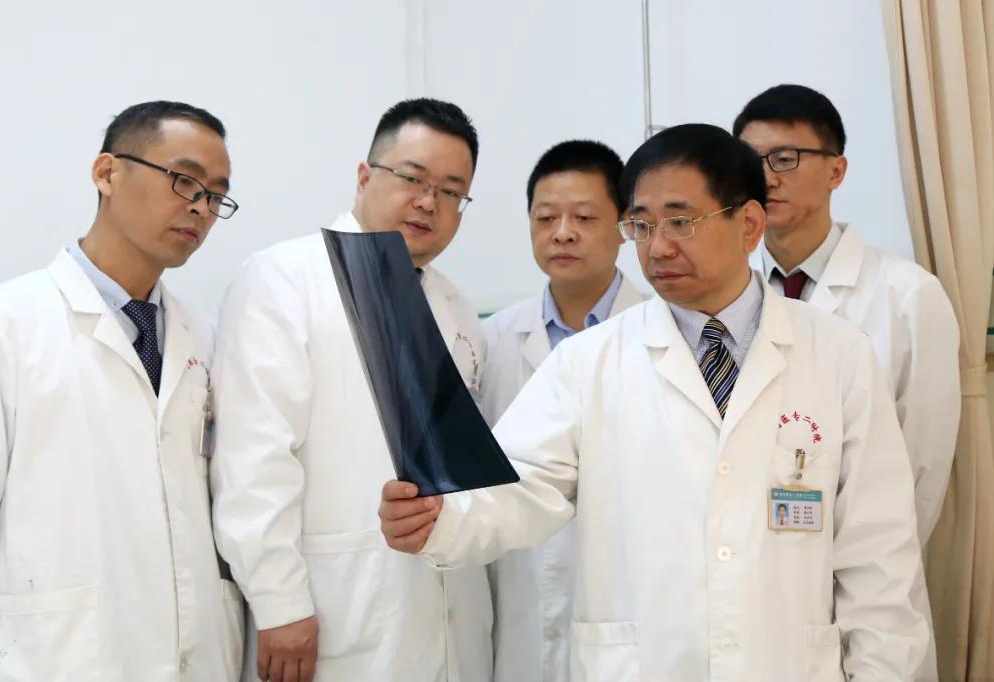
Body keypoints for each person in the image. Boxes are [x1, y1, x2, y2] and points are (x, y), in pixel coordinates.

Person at [380, 123, 928, 681]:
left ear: (749, 224)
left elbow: (879, 556)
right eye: (641, 226)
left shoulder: (838, 356)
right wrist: (441, 518)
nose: (658, 247)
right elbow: (518, 484)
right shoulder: (587, 361)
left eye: (681, 222)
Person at [211, 98, 493, 682]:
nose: (429, 202)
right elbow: (254, 459)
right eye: (412, 178)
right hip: (334, 609)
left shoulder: (456, 307)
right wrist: (280, 603)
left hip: (450, 612)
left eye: (451, 191)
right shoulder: (285, 278)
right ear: (364, 176)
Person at [0, 101, 243, 680]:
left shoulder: (206, 338)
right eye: (184, 180)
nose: (201, 207)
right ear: (107, 173)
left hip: (194, 655)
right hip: (54, 658)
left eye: (216, 196)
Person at [733, 83, 961, 680]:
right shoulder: (729, 300)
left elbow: (923, 468)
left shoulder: (906, 295)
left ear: (836, 170)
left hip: (870, 578)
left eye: (785, 158)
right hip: (758, 580)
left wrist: (861, 566)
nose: (766, 176)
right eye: (751, 161)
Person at [481, 140, 647, 682]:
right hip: (520, 598)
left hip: (634, 601)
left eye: (584, 217)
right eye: (546, 218)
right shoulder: (495, 339)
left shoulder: (661, 335)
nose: (563, 233)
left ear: (624, 226)